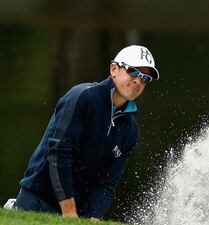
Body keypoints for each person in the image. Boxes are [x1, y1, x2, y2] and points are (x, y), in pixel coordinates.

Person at [9, 45, 160, 220]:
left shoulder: (131, 131)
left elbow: (107, 182)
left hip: (78, 211)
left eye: (145, 78)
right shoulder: (82, 97)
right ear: (114, 69)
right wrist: (69, 213)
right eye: (133, 72)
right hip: (37, 200)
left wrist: (93, 219)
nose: (138, 81)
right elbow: (59, 153)